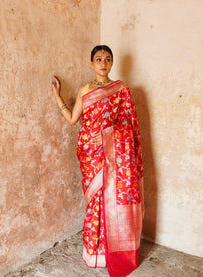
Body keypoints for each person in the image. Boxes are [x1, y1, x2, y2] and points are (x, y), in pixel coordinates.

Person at [51, 45, 144, 277]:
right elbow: (73, 119)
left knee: (110, 198)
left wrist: (106, 136)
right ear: (91, 63)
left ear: (112, 64)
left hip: (112, 152)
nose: (103, 63)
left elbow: (128, 124)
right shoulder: (85, 90)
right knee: (95, 201)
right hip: (89, 154)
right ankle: (94, 251)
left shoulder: (121, 90)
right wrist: (58, 97)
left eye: (108, 59)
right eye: (99, 59)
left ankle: (110, 251)